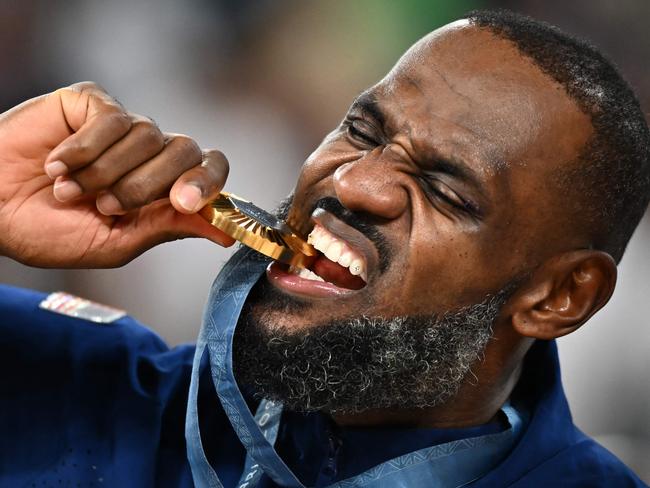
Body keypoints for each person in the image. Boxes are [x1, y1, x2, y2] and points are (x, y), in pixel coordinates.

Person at [0, 9, 647, 488]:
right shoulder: (68, 388)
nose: (352, 181)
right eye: (362, 130)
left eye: (446, 191)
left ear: (560, 296)